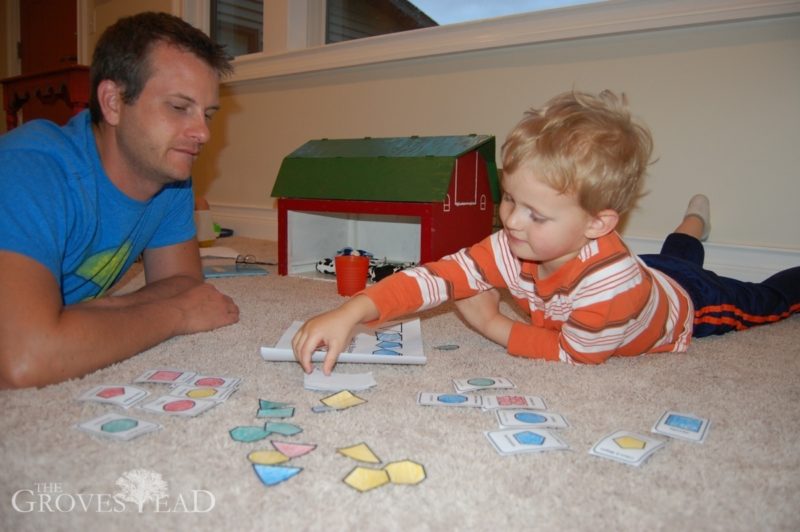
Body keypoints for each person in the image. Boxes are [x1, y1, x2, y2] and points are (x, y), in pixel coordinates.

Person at [292, 90, 800, 374]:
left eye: (536, 214)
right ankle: (692, 224)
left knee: (766, 299)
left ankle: (710, 243)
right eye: (510, 198)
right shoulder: (514, 243)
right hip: (647, 270)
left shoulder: (610, 290)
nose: (511, 220)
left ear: (597, 224)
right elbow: (437, 277)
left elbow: (574, 353)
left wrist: (490, 323)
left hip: (685, 304)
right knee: (679, 254)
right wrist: (351, 310)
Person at [0, 12, 240, 389]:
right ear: (112, 102)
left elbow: (183, 282)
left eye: (207, 114)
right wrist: (175, 315)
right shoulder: (26, 169)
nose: (203, 133)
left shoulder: (169, 177)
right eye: (179, 108)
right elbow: (24, 359)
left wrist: (97, 314)